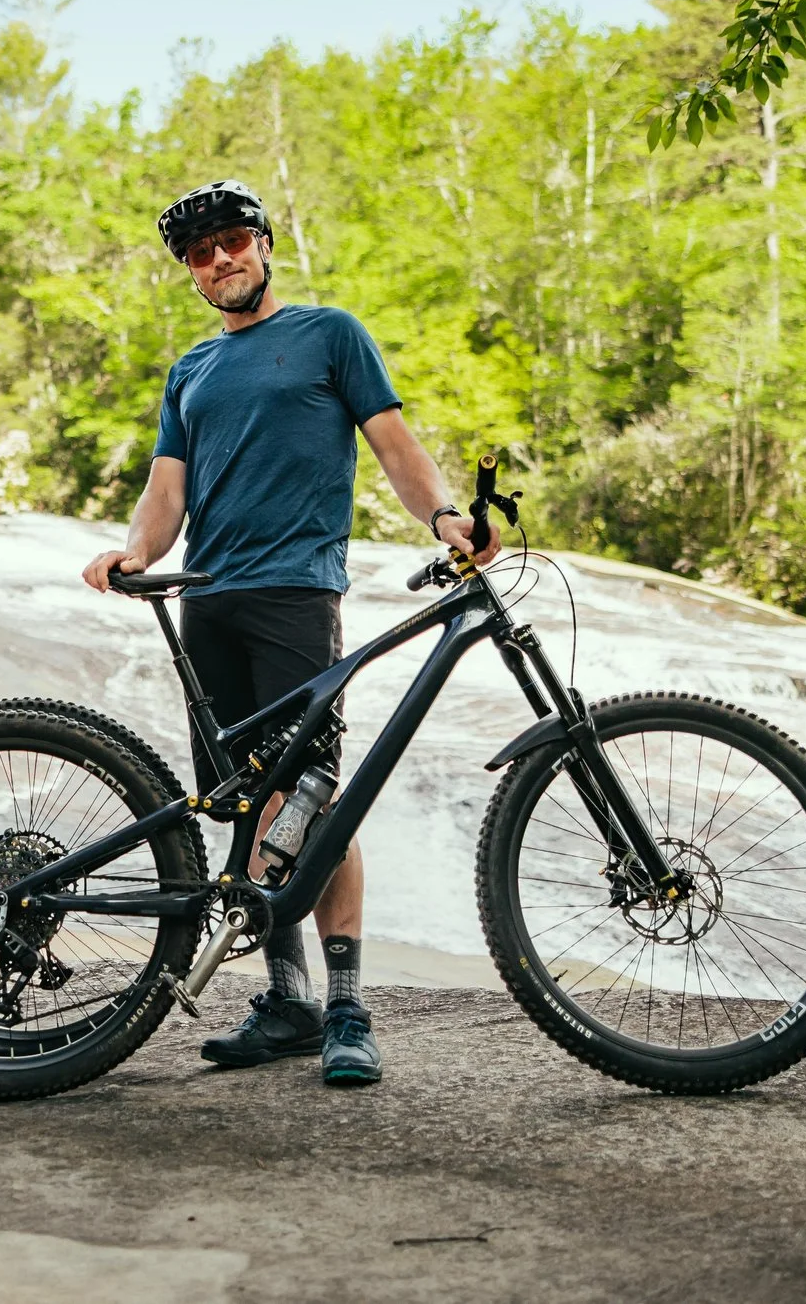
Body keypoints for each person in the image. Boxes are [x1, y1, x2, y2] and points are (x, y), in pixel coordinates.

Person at [83, 181, 500, 1086]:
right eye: (201, 253)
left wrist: (446, 519)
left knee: (314, 797)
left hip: (295, 593)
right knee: (244, 802)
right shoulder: (190, 370)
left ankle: (347, 1006)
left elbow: (395, 446)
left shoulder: (330, 334)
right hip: (207, 599)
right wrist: (134, 553)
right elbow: (166, 489)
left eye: (233, 241)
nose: (220, 260)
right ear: (191, 274)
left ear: (265, 244)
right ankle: (288, 1001)